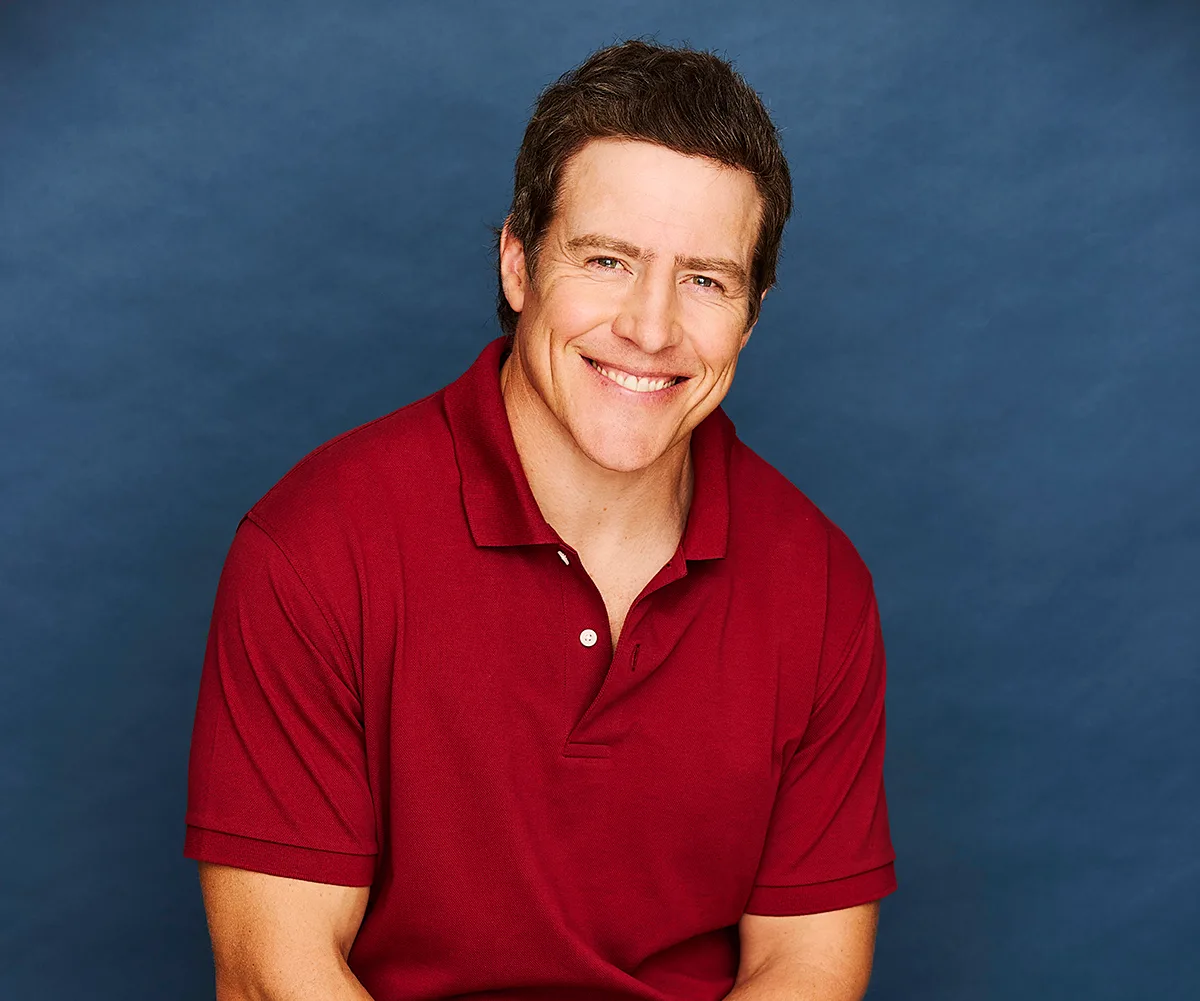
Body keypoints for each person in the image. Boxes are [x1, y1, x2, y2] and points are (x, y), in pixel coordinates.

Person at [185, 39, 896, 1001]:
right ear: (519, 262)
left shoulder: (818, 584)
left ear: (753, 312)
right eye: (606, 259)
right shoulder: (315, 547)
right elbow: (276, 972)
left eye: (705, 280)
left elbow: (806, 967)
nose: (651, 329)